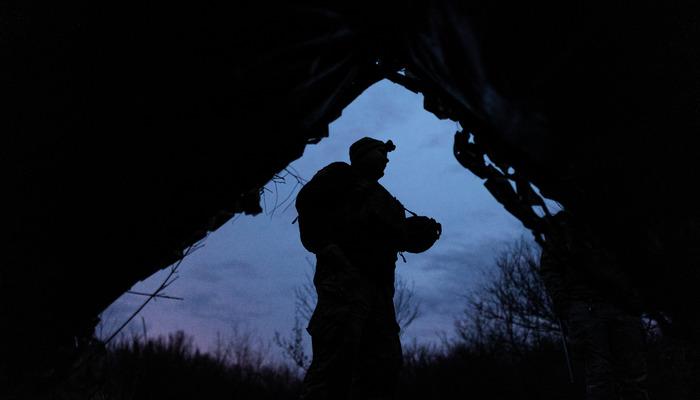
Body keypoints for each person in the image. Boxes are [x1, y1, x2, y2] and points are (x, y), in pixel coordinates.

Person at [296, 137, 441, 400]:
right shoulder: (340, 174)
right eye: (381, 152)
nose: (386, 158)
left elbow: (394, 239)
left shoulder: (385, 199)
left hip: (380, 291)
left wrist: (415, 234)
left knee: (384, 362)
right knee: (337, 358)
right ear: (362, 153)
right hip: (345, 281)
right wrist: (325, 247)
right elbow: (307, 203)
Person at [539, 211, 650, 400]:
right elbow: (550, 268)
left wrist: (636, 297)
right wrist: (563, 300)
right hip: (585, 307)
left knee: (634, 373)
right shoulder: (562, 226)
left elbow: (636, 259)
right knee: (600, 374)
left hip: (622, 305)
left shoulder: (611, 217)